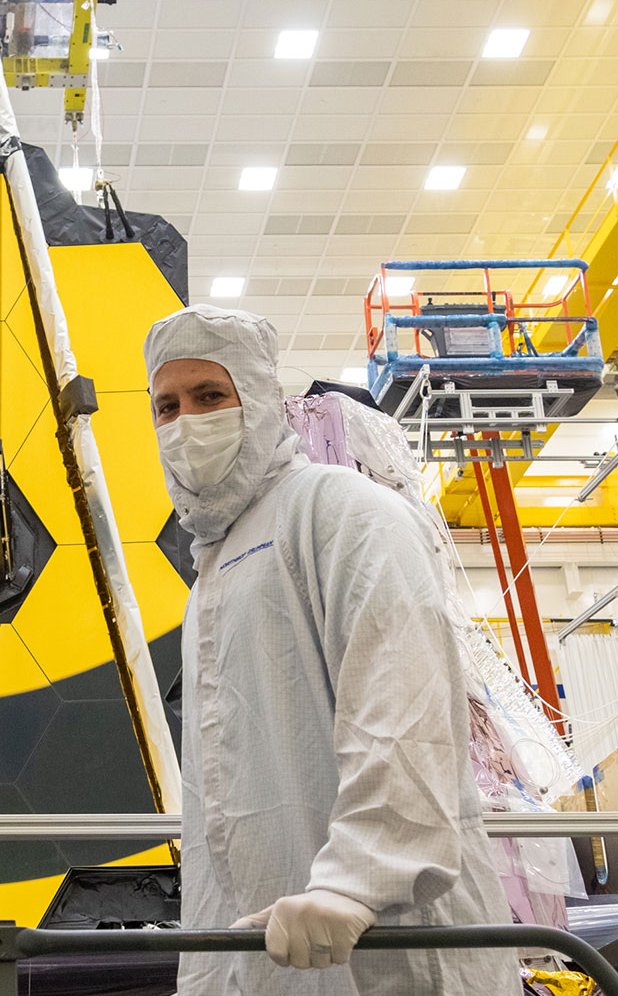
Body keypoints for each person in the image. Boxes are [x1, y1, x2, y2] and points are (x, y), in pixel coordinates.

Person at [145, 305, 513, 996]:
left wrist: (360, 881)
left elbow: (400, 703)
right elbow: (216, 811)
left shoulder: (340, 511)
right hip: (278, 952)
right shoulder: (211, 579)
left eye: (209, 396)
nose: (185, 422)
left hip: (385, 944)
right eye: (166, 405)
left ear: (257, 401)